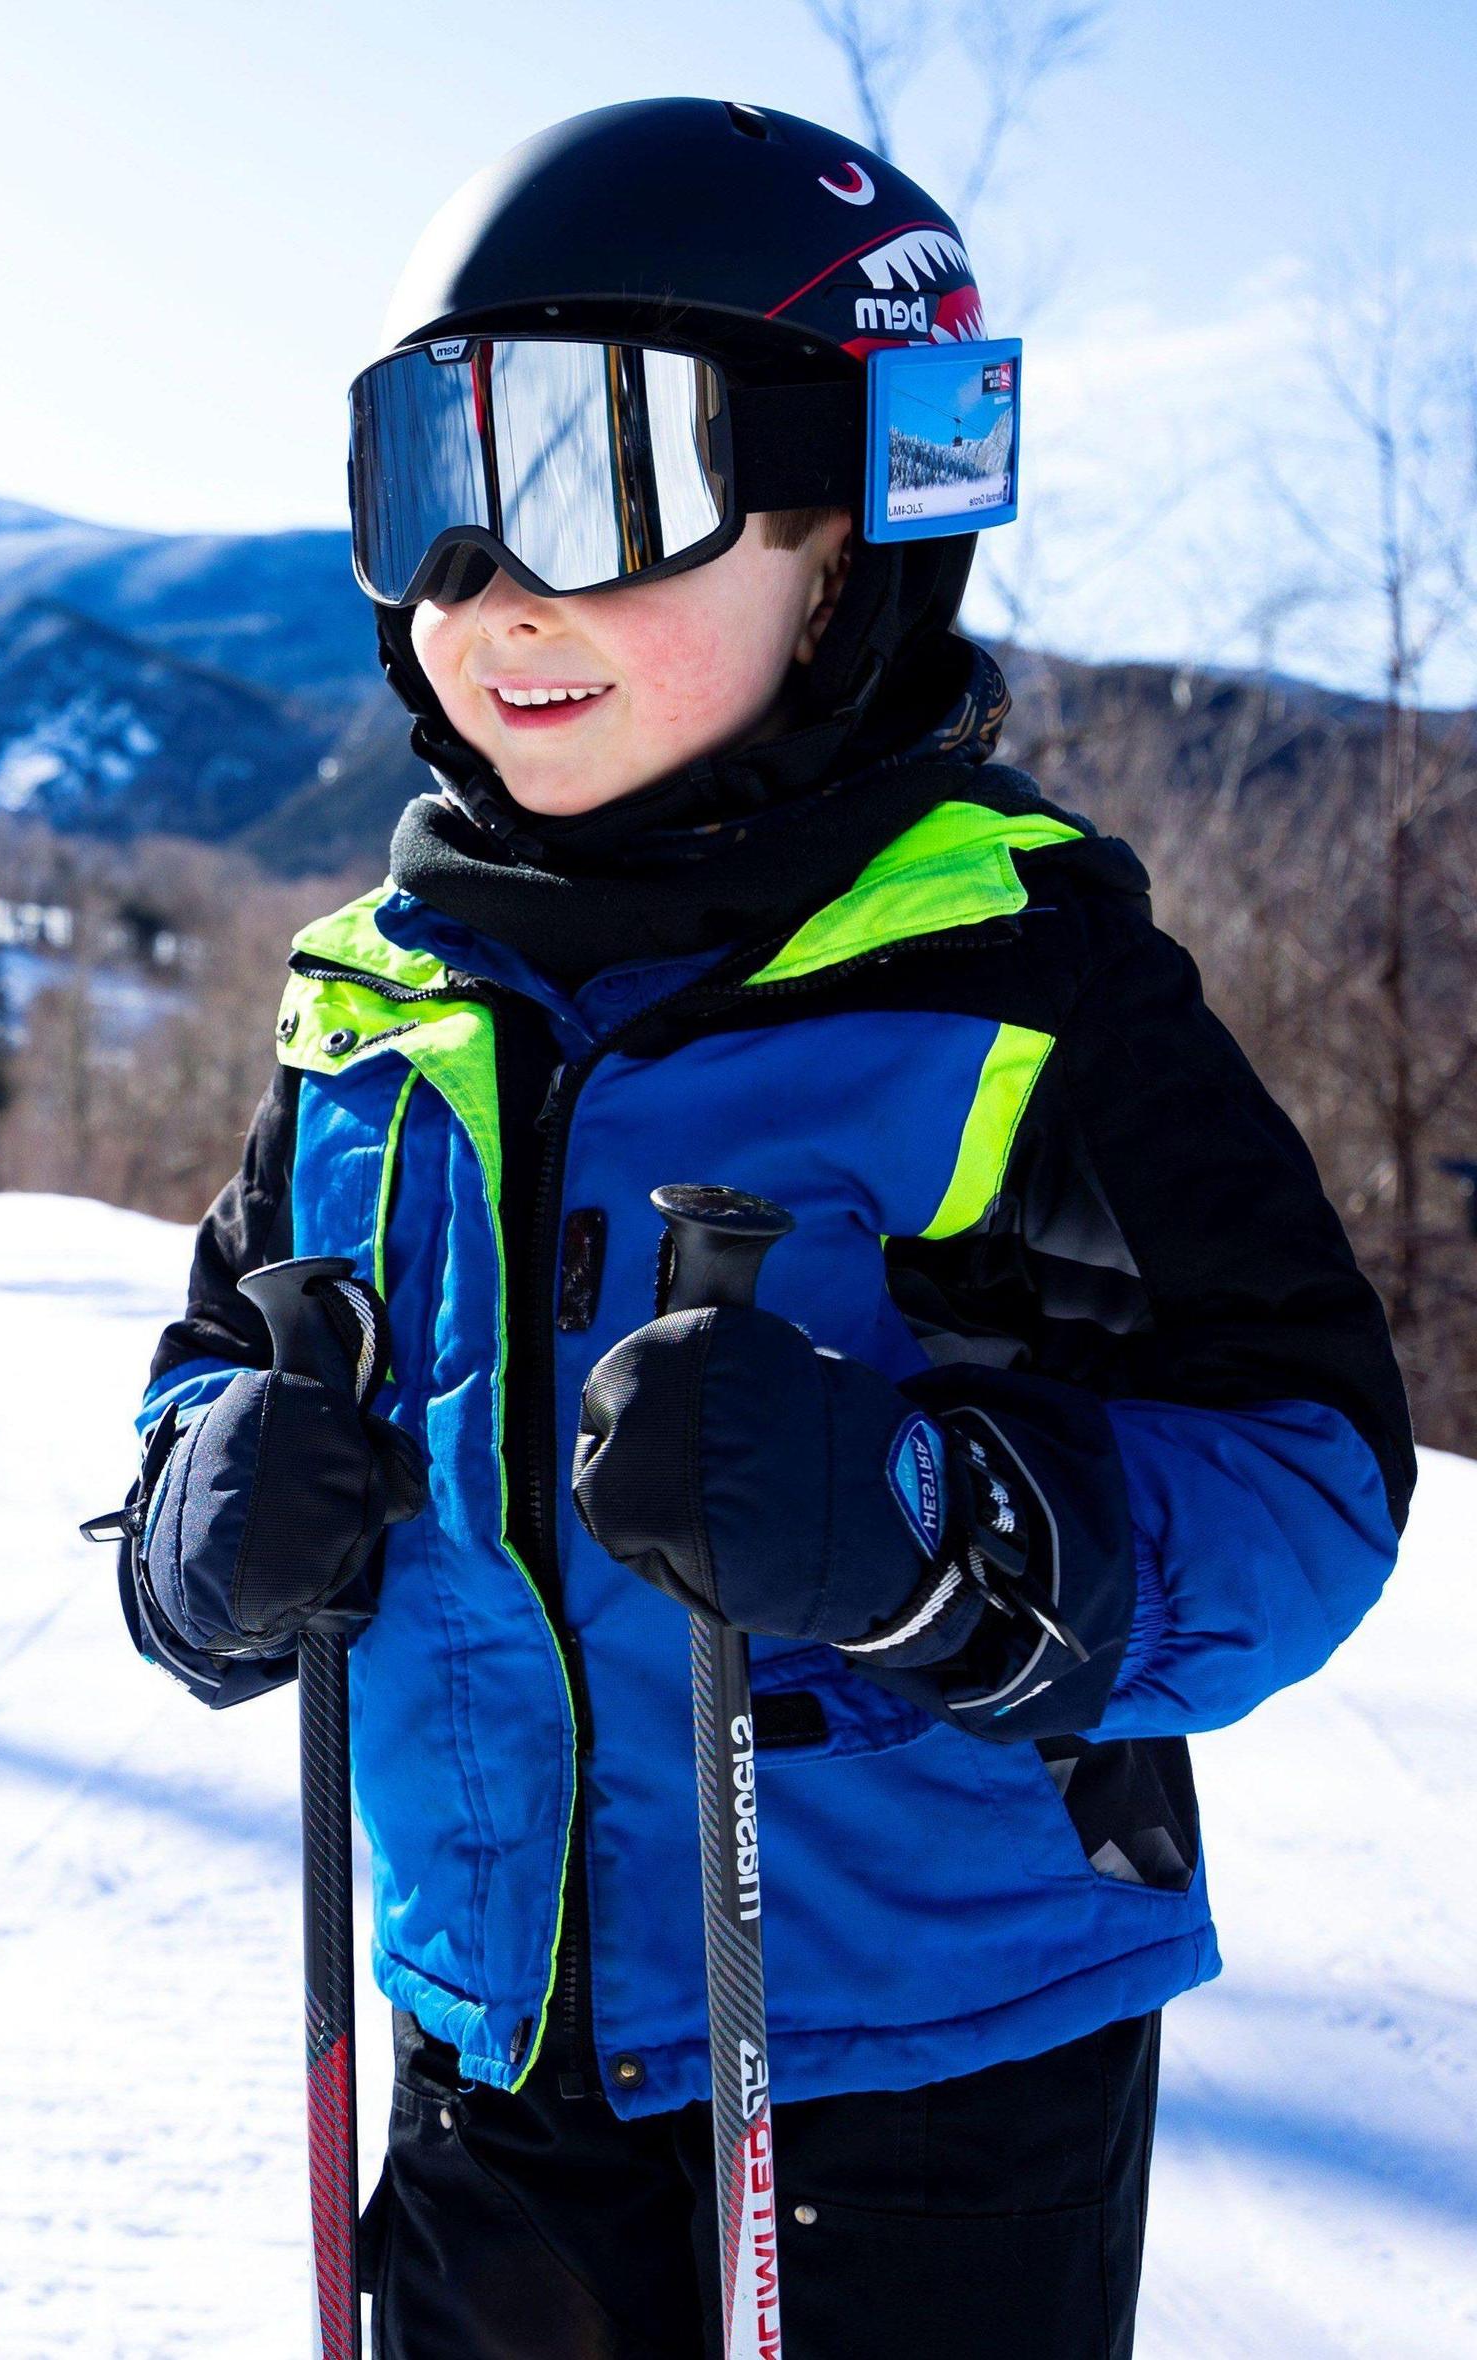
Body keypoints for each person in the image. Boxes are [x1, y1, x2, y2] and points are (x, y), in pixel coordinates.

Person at [108, 98, 1412, 2359]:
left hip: (923, 2074)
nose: (492, 586)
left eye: (603, 473)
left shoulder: (1016, 982)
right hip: (494, 2041)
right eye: (428, 480)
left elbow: (1311, 1467)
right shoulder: (370, 1006)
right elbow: (213, 1370)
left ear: (847, 525)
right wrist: (202, 1523)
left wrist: (944, 1537)